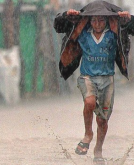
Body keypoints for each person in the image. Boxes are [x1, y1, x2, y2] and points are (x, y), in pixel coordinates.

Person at [54, 1, 134, 163]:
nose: (97, 24)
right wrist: (66, 16)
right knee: (89, 102)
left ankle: (98, 150)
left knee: (102, 120)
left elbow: (131, 28)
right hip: (87, 77)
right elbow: (58, 26)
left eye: (101, 20)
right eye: (94, 20)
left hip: (107, 80)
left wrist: (129, 20)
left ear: (107, 20)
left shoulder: (114, 33)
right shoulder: (82, 33)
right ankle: (88, 134)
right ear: (89, 21)